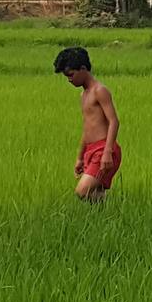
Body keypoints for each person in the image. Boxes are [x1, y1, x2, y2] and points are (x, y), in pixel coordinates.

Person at [53, 47, 122, 203]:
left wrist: (107, 152)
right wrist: (80, 158)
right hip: (91, 151)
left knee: (82, 191)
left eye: (71, 75)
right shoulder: (83, 94)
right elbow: (87, 128)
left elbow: (114, 121)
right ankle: (107, 219)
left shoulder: (100, 91)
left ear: (83, 69)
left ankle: (108, 212)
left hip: (103, 149)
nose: (69, 80)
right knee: (95, 194)